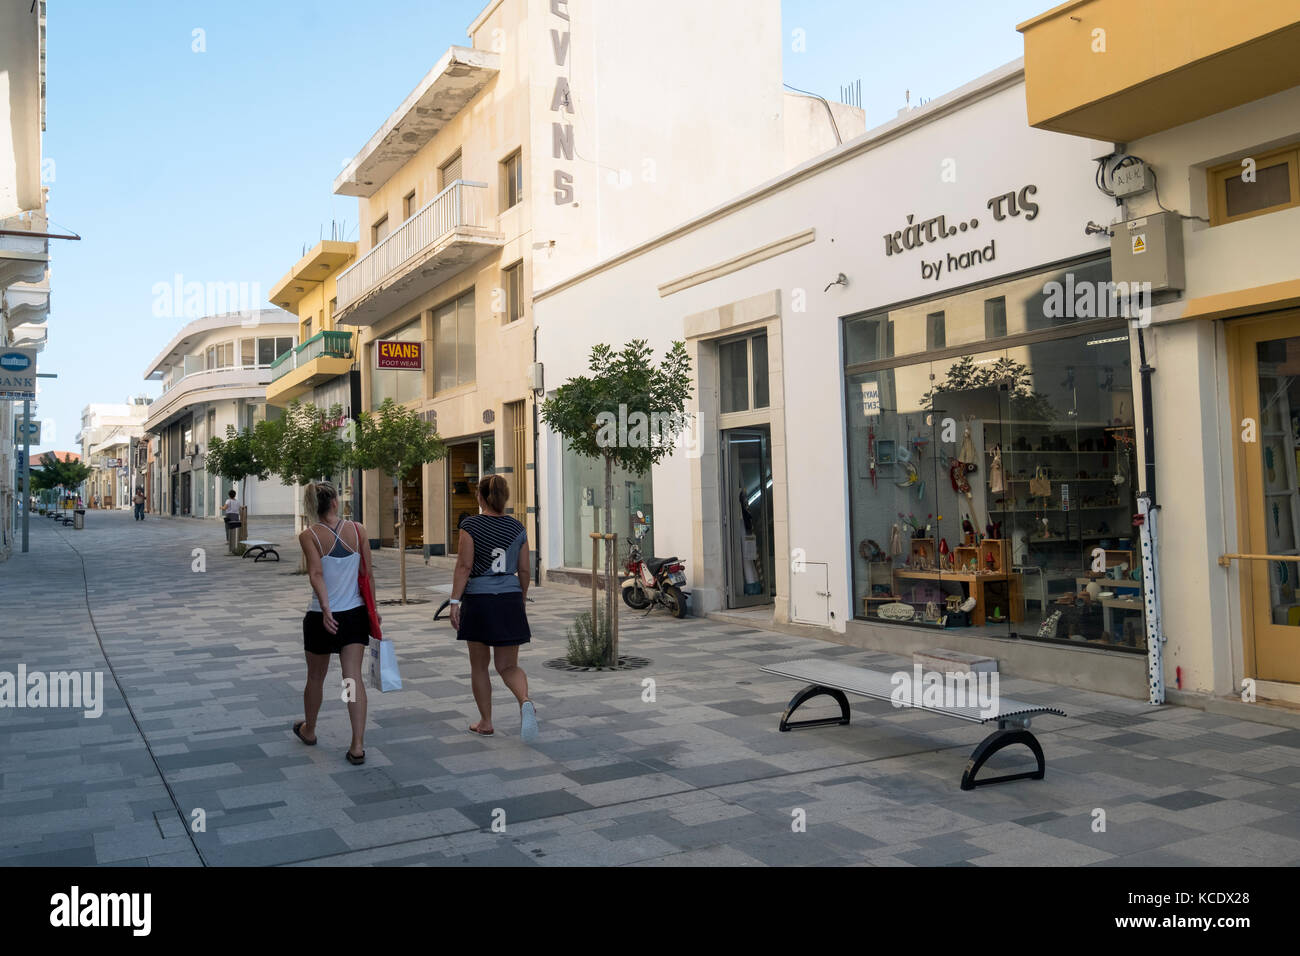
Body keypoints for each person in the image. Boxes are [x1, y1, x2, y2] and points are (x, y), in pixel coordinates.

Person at [293, 480, 376, 765]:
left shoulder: (309, 536)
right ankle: (357, 745)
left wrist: (327, 609)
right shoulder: (358, 530)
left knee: (315, 677)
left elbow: (316, 574)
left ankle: (310, 729)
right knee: (352, 678)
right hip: (354, 613)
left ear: (312, 507)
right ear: (335, 502)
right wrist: (373, 613)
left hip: (320, 616)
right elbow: (367, 574)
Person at [449, 474, 537, 741]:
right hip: (509, 598)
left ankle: (486, 722)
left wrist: (454, 601)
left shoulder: (470, 525)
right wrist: (520, 598)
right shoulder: (517, 527)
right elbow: (524, 569)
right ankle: (525, 701)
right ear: (504, 496)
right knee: (508, 665)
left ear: (480, 497)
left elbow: (464, 566)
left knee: (479, 665)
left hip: (479, 600)